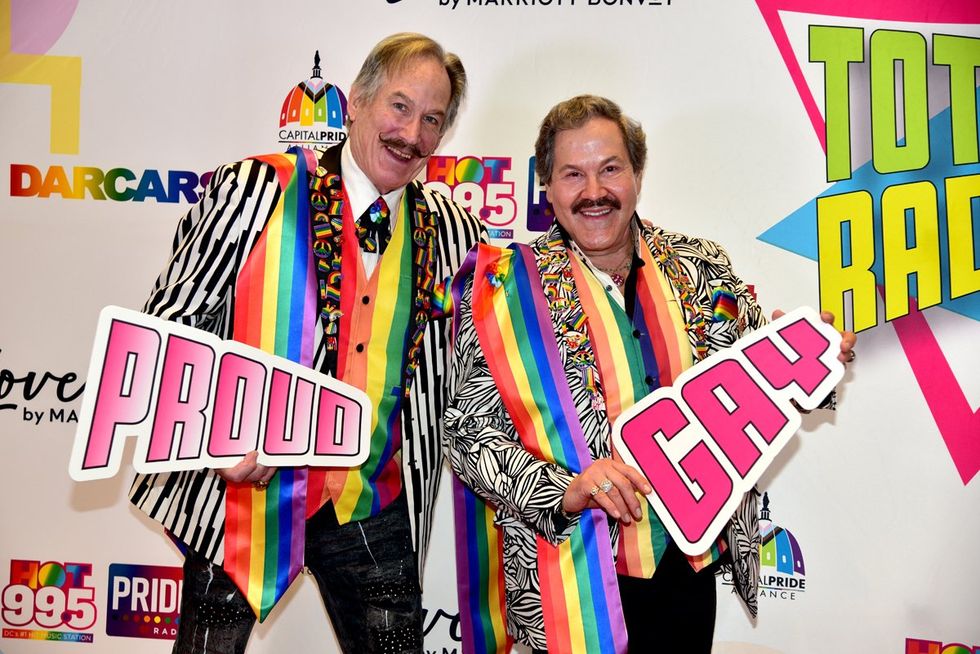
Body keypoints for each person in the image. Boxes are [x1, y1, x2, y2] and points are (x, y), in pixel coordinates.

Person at [443, 94, 856, 653]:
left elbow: (768, 386)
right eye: (573, 174)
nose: (594, 191)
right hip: (567, 576)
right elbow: (467, 436)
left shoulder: (700, 265)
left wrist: (816, 358)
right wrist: (565, 489)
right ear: (547, 188)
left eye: (610, 168)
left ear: (637, 174)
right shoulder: (502, 290)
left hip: (689, 566)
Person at [129, 33, 486, 654]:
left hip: (372, 504)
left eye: (432, 120)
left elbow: (477, 365)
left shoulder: (456, 230)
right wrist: (216, 432)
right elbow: (170, 326)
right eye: (400, 107)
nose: (412, 134)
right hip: (240, 499)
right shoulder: (254, 189)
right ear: (357, 102)